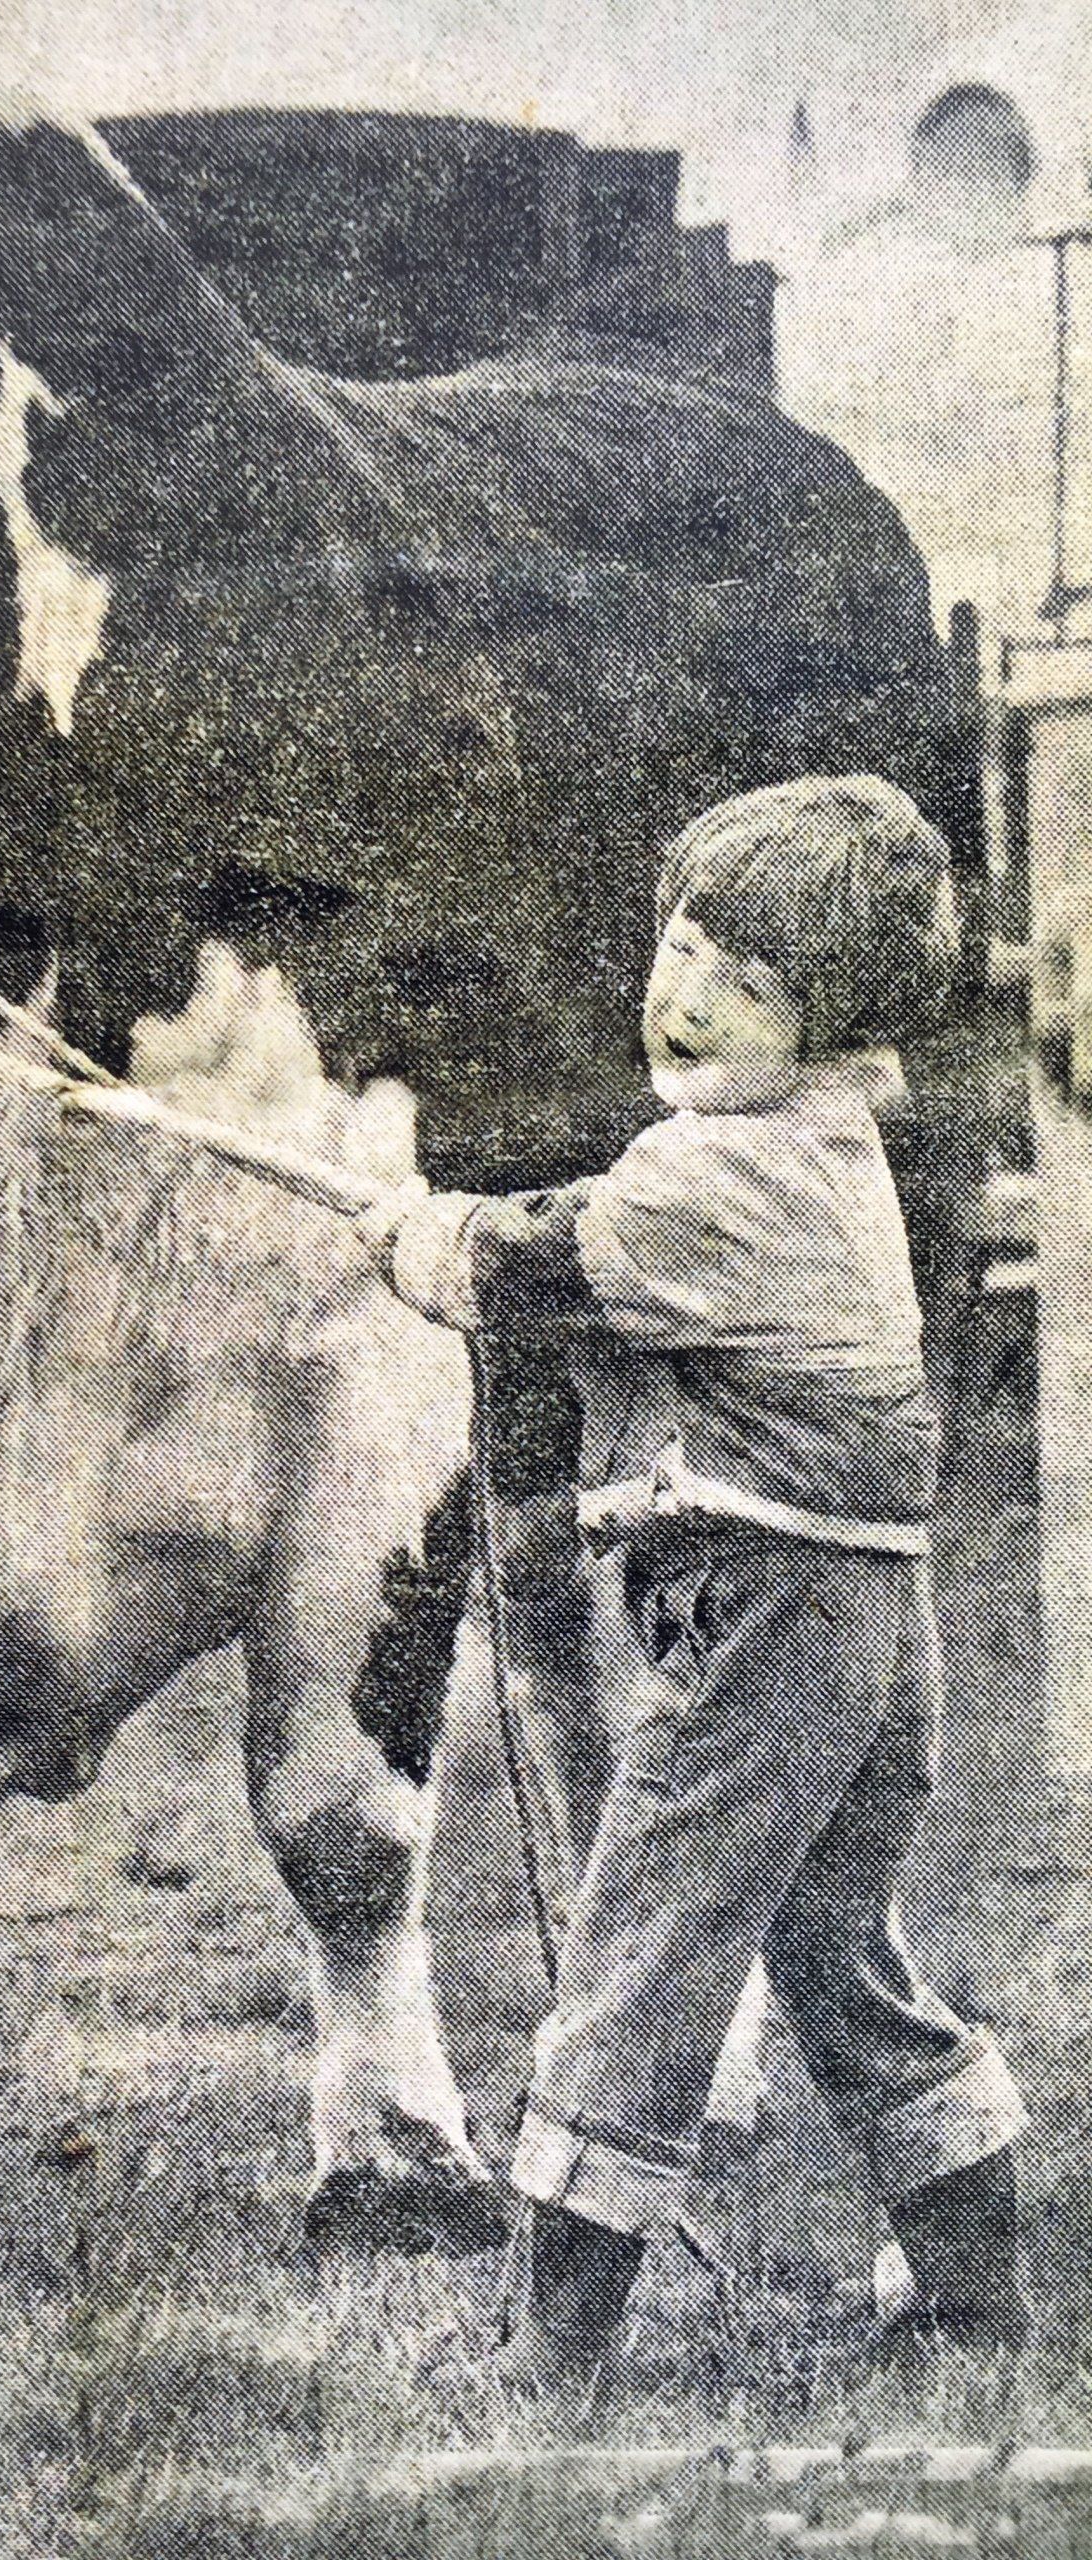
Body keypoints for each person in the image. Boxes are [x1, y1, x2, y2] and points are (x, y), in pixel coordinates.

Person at [359, 775, 1030, 2398]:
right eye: (681, 947)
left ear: (828, 1029)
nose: (689, 998)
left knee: (638, 1961)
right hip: (864, 1616)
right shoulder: (817, 1139)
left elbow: (523, 1263)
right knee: (835, 1951)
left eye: (751, 984)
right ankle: (975, 2295)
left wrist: (409, 1236)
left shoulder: (717, 1179)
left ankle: (552, 2362)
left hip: (768, 1627)